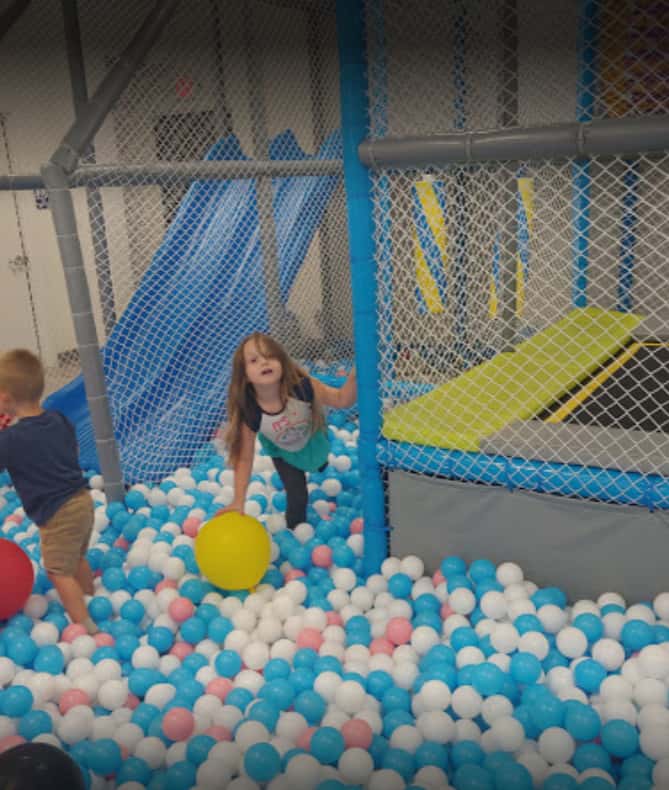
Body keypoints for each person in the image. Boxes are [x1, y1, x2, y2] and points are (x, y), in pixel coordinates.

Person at [0, 349, 97, 634]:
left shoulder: (11, 440)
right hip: (82, 501)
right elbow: (73, 450)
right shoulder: (59, 419)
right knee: (76, 557)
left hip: (58, 514)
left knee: (57, 570)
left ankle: (85, 626)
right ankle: (91, 597)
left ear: (6, 399)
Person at [221, 332, 357, 529]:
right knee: (297, 494)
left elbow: (341, 400)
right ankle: (295, 529)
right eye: (254, 360)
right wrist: (238, 500)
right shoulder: (250, 410)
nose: (264, 362)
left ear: (282, 362)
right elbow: (244, 457)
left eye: (270, 356)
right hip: (283, 451)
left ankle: (318, 464)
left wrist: (354, 377)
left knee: (319, 462)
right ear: (245, 375)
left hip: (311, 438)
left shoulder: (301, 387)